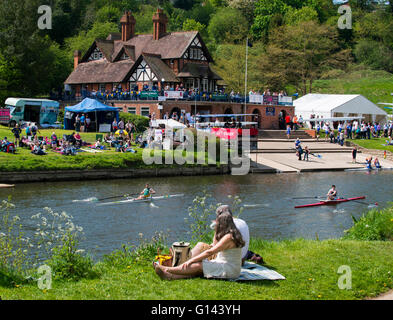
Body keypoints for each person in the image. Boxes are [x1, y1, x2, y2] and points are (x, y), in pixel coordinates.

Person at [153, 212, 245, 280]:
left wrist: (191, 260)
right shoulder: (232, 234)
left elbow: (211, 251)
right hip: (229, 266)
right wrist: (216, 230)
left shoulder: (228, 237)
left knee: (198, 266)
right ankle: (170, 276)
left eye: (218, 223)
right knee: (198, 269)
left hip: (229, 269)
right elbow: (214, 245)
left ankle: (167, 269)